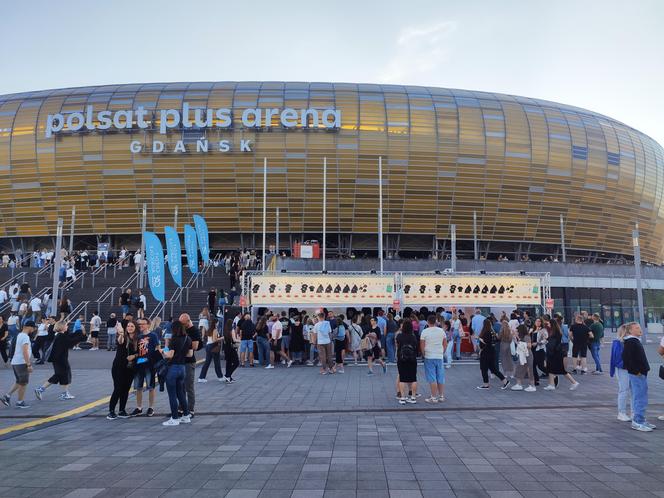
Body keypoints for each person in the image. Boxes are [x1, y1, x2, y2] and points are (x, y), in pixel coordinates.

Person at [34, 320, 85, 401]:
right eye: (66, 325)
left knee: (61, 375)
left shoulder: (59, 335)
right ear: (62, 327)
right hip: (60, 359)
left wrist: (79, 332)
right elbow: (70, 342)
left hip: (57, 359)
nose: (67, 327)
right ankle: (43, 390)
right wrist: (81, 333)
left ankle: (61, 393)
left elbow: (70, 337)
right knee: (63, 375)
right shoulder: (61, 336)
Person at [158, 320, 193, 426]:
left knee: (172, 395)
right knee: (181, 393)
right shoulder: (188, 338)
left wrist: (162, 351)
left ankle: (175, 418)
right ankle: (186, 416)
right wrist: (180, 354)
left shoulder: (174, 339)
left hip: (173, 368)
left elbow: (170, 355)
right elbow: (190, 355)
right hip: (182, 368)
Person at [621, 322, 654, 432]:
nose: (640, 329)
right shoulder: (631, 342)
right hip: (637, 374)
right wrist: (636, 372)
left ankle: (641, 419)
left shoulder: (634, 341)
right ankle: (638, 421)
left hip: (640, 373)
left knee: (641, 397)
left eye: (640, 327)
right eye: (637, 328)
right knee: (639, 397)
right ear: (630, 330)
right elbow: (627, 359)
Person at [1, 320, 37, 408]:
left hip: (16, 362)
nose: (34, 330)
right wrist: (28, 364)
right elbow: (25, 351)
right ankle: (20, 402)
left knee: (19, 381)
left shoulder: (19, 335)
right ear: (29, 327)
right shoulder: (25, 337)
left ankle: (7, 396)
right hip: (22, 362)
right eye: (33, 328)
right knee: (23, 383)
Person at [107, 320, 137, 419]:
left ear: (135, 328)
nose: (130, 328)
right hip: (119, 367)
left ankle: (122, 410)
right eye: (128, 326)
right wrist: (120, 333)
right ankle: (111, 411)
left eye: (132, 326)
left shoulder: (138, 339)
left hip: (130, 367)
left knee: (126, 389)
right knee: (118, 388)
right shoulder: (123, 336)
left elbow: (140, 353)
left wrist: (134, 355)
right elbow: (120, 341)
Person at [130, 318, 159, 417]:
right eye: (139, 324)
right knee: (138, 387)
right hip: (138, 365)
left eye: (143, 324)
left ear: (148, 324)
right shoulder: (137, 336)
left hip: (150, 365)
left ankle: (151, 407)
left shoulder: (153, 335)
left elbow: (157, 348)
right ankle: (139, 407)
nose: (140, 326)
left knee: (151, 387)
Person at [544, 319, 579, 390]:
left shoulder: (554, 333)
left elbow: (552, 344)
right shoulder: (556, 332)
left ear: (552, 324)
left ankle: (574, 382)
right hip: (556, 353)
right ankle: (551, 384)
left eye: (549, 324)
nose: (548, 325)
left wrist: (547, 343)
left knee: (560, 370)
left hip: (554, 354)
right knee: (551, 369)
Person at [420, 314, 447, 403]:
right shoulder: (441, 331)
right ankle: (441, 395)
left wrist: (424, 354)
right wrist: (442, 352)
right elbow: (445, 343)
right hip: (439, 355)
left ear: (428, 322)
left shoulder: (424, 332)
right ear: (436, 321)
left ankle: (433, 396)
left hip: (429, 356)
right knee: (440, 376)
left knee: (432, 377)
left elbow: (422, 345)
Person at [477, 318, 510, 390]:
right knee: (493, 369)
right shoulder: (492, 332)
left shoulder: (486, 332)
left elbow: (486, 343)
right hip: (492, 352)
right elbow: (496, 340)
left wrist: (480, 339)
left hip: (486, 353)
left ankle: (486, 384)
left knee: (484, 368)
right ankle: (505, 381)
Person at [179, 313, 201, 417]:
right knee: (180, 386)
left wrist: (183, 346)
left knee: (189, 386)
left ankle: (191, 409)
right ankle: (181, 408)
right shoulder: (181, 328)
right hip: (180, 361)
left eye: (183, 323)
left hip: (189, 361)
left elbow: (195, 347)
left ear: (188, 321)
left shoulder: (194, 331)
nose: (181, 325)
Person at [610, 325, 632, 421]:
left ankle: (632, 412)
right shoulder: (619, 343)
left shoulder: (626, 342)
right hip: (623, 368)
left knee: (631, 391)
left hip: (627, 368)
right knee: (624, 390)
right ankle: (621, 412)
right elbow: (616, 358)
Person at [396, 320, 418, 404]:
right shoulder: (413, 337)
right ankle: (413, 397)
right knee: (413, 378)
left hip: (402, 359)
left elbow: (397, 346)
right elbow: (416, 347)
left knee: (402, 378)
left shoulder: (399, 336)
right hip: (412, 359)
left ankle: (402, 397)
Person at [511, 324, 536, 392]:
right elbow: (519, 343)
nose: (517, 332)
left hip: (527, 355)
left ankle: (532, 385)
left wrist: (520, 342)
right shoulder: (522, 337)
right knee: (519, 368)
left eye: (517, 331)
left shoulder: (526, 336)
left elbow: (529, 346)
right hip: (523, 355)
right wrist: (515, 337)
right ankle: (519, 384)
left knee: (529, 370)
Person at [198, 318, 223, 382]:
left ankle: (201, 377)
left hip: (208, 346)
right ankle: (220, 376)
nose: (218, 323)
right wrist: (222, 338)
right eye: (217, 322)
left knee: (207, 362)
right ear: (216, 323)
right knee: (217, 362)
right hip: (213, 346)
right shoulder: (215, 330)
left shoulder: (210, 329)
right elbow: (215, 340)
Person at [531, 318, 548, 385]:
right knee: (533, 365)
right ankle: (536, 380)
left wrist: (537, 343)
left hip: (540, 350)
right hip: (533, 350)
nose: (538, 322)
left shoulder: (543, 330)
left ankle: (552, 375)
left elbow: (546, 340)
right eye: (536, 321)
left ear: (541, 322)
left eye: (539, 321)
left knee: (540, 366)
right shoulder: (532, 330)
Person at [222, 318, 239, 383]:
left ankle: (228, 377)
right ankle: (227, 375)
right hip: (231, 348)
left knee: (228, 363)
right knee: (236, 362)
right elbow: (234, 340)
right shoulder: (232, 330)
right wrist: (240, 340)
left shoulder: (225, 330)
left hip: (227, 348)